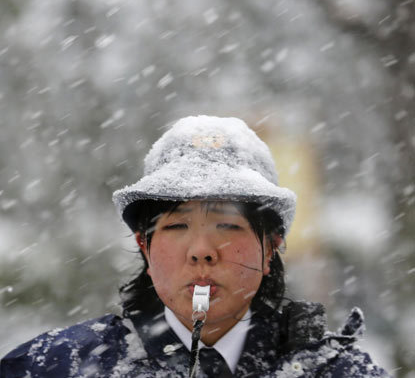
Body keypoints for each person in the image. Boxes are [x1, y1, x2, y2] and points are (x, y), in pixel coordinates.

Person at [1, 115, 391, 377]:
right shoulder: (59, 365)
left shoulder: (333, 370)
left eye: (227, 225)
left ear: (269, 249)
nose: (202, 250)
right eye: (178, 226)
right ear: (145, 248)